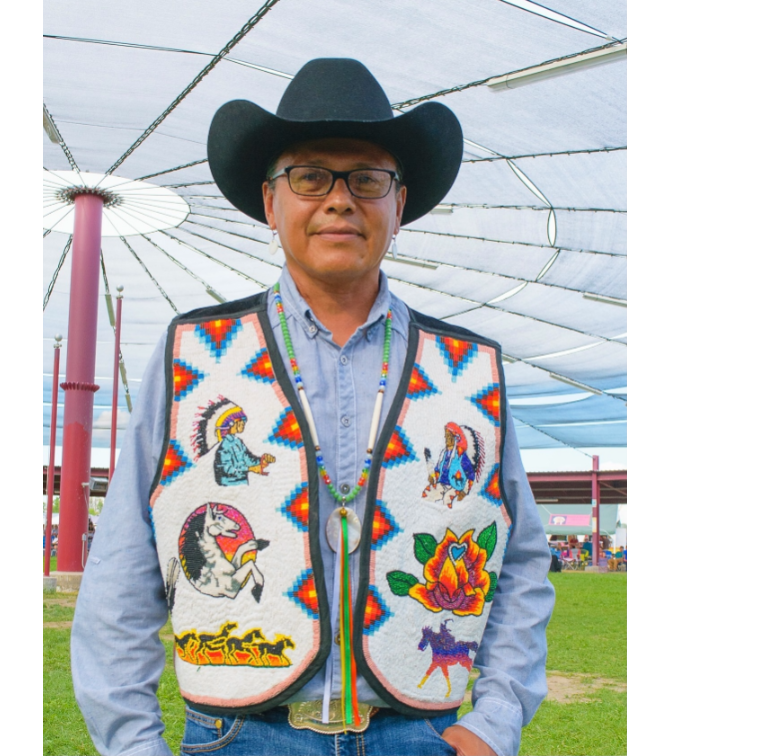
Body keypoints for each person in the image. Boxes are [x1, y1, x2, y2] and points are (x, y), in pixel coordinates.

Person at [72, 59, 555, 756]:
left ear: (399, 204)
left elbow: (520, 562)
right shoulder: (193, 354)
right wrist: (132, 745)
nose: (338, 199)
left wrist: (496, 720)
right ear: (271, 204)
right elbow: (122, 564)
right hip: (238, 736)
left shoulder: (471, 371)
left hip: (420, 737)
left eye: (367, 179)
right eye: (309, 176)